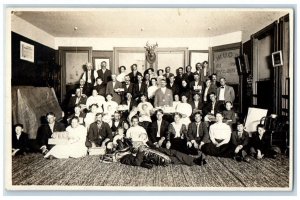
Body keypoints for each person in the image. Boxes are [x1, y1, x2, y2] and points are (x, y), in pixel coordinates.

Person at [116, 145, 207, 169]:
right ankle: (194, 160)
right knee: (172, 158)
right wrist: (140, 151)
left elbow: (136, 149)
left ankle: (194, 161)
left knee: (173, 153)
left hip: (150, 151)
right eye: (118, 153)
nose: (122, 151)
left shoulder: (128, 151)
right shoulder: (124, 159)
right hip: (151, 157)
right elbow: (137, 162)